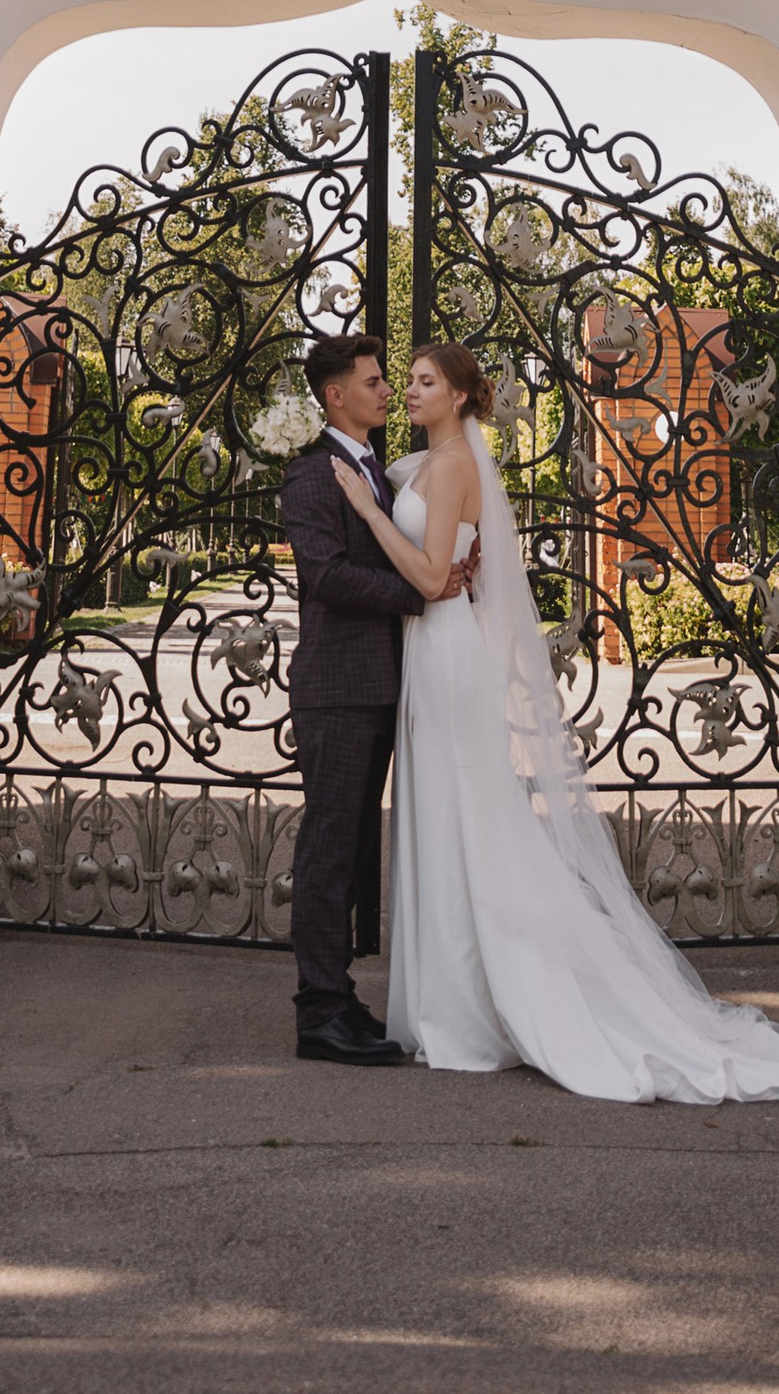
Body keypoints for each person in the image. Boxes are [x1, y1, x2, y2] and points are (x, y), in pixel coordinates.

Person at [332, 342, 779, 1105]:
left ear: (461, 397)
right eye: (410, 381)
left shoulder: (458, 461)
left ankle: (470, 1012)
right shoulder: (422, 464)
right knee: (444, 820)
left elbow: (432, 578)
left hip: (447, 651)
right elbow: (452, 550)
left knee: (468, 818)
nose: (411, 391)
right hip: (429, 654)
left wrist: (369, 511)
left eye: (427, 382)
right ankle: (446, 1005)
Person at [277, 327, 467, 1064]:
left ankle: (342, 998)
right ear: (336, 396)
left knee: (356, 850)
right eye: (374, 381)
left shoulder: (378, 470)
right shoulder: (311, 473)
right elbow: (322, 576)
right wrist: (419, 593)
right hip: (337, 691)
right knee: (329, 850)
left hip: (383, 688)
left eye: (390, 379)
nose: (387, 389)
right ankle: (318, 1013)